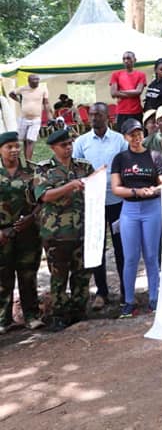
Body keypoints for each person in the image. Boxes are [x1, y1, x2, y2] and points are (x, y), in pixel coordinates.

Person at [33, 129, 96, 331]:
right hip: (56, 234)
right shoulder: (44, 169)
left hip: (82, 230)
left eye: (70, 143)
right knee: (59, 276)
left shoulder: (83, 166)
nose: (68, 147)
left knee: (82, 274)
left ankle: (79, 312)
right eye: (63, 145)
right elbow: (44, 196)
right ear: (53, 148)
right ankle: (59, 315)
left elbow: (95, 189)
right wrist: (70, 186)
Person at [73, 102, 127, 308]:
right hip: (93, 203)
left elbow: (125, 165)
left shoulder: (119, 140)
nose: (94, 118)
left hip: (117, 201)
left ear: (108, 117)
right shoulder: (82, 142)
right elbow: (77, 170)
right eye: (91, 115)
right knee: (97, 247)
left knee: (121, 246)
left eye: (98, 114)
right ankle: (102, 292)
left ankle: (125, 289)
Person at [111, 119, 162, 318]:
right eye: (131, 135)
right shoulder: (120, 158)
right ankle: (128, 301)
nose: (136, 138)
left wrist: (152, 190)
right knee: (131, 257)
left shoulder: (154, 156)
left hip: (152, 208)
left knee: (151, 256)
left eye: (138, 134)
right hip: (130, 210)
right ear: (125, 137)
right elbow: (116, 188)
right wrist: (135, 191)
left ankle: (154, 298)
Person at [0, 131, 43, 332]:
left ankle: (32, 315)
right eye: (9, 147)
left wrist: (31, 217)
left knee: (28, 276)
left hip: (28, 234)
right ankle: (3, 320)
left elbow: (43, 201)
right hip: (2, 236)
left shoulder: (32, 171)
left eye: (16, 146)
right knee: (3, 277)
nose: (15, 150)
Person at [8, 74, 54, 162]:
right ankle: (20, 161)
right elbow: (11, 93)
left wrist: (49, 117)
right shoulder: (23, 88)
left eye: (37, 80)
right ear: (29, 81)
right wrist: (19, 100)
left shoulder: (43, 89)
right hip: (23, 118)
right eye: (34, 80)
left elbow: (46, 103)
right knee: (22, 141)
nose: (36, 81)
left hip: (36, 119)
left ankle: (29, 162)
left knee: (30, 140)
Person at [110, 51, 147, 128]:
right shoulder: (116, 75)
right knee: (122, 136)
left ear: (135, 60)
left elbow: (138, 92)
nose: (126, 61)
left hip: (136, 111)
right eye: (124, 59)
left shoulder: (141, 75)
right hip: (121, 112)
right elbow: (113, 93)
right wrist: (132, 93)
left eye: (128, 58)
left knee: (137, 136)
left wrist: (119, 92)